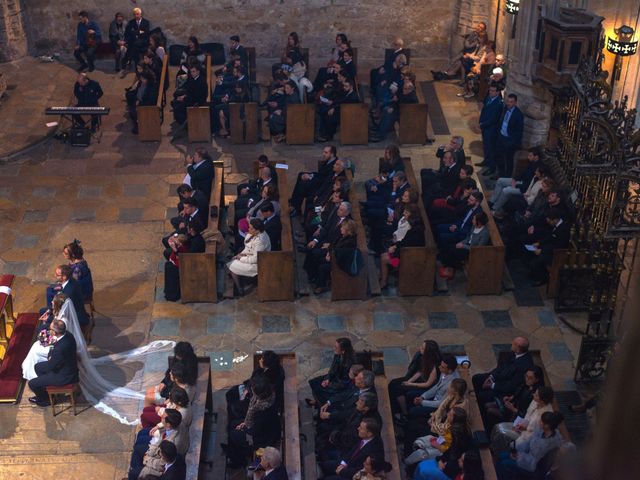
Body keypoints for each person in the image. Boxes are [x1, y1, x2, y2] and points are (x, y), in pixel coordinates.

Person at [227, 375, 280, 468]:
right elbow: (252, 420)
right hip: (259, 427)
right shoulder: (269, 395)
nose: (251, 391)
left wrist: (244, 429)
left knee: (233, 434)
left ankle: (239, 461)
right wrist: (244, 424)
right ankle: (238, 451)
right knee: (233, 424)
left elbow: (254, 432)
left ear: (258, 394)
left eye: (253, 390)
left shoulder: (262, 411)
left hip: (261, 437)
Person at [495, 412, 564, 479]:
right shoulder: (540, 430)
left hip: (533, 467)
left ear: (547, 425)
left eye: (541, 421)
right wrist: (515, 450)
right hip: (526, 457)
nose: (539, 422)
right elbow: (528, 442)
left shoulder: (551, 443)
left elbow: (534, 460)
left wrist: (518, 457)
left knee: (505, 463)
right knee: (502, 455)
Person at [472, 337, 533, 413]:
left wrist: (492, 385)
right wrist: (491, 377)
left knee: (480, 396)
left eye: (513, 344)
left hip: (502, 389)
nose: (511, 344)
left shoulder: (524, 366)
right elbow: (501, 366)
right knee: (476, 378)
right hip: (497, 378)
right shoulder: (513, 353)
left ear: (518, 349)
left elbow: (511, 385)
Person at [27, 319, 79, 407]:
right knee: (37, 367)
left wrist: (50, 356)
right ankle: (47, 392)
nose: (48, 330)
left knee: (32, 383)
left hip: (64, 376)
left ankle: (45, 400)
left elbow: (51, 366)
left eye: (50, 329)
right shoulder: (68, 335)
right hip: (67, 367)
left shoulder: (60, 349)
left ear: (54, 332)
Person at [490, 386, 555, 455]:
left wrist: (522, 428)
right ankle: (492, 446)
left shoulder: (546, 414)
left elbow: (537, 433)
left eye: (536, 395)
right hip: (522, 426)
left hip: (527, 437)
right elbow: (527, 416)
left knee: (503, 434)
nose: (533, 395)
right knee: (497, 427)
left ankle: (495, 453)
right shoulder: (535, 401)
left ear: (542, 400)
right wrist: (519, 424)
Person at [388, 339, 442, 417]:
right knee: (393, 383)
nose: (420, 348)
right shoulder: (423, 357)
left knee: (398, 390)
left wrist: (411, 384)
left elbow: (427, 384)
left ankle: (404, 413)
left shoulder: (435, 367)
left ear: (428, 353)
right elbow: (420, 372)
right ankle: (395, 408)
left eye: (423, 348)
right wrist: (409, 381)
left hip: (424, 386)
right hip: (419, 380)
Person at [483, 366, 544, 433]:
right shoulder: (525, 385)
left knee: (490, 410)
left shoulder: (536, 395)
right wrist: (511, 397)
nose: (527, 379)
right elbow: (517, 395)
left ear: (537, 380)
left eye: (530, 378)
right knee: (487, 405)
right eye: (526, 376)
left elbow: (527, 415)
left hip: (516, 416)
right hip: (512, 406)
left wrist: (513, 409)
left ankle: (490, 432)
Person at [319, 418, 385, 479]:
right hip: (347, 462)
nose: (358, 428)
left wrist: (342, 471)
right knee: (324, 465)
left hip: (353, 475)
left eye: (361, 428)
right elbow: (352, 450)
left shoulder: (373, 451)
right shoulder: (364, 436)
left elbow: (360, 470)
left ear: (369, 433)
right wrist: (343, 463)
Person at [405, 407, 471, 467]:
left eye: (450, 415)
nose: (448, 414)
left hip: (443, 453)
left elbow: (451, 451)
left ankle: (409, 464)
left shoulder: (455, 434)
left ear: (455, 419)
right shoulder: (453, 427)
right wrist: (438, 440)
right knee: (421, 441)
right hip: (441, 444)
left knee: (422, 453)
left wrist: (438, 446)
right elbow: (445, 438)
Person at [22, 293, 68, 381]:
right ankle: (31, 372)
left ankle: (34, 374)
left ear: (57, 305)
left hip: (56, 346)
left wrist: (43, 339)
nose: (51, 302)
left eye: (53, 302)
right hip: (55, 340)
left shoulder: (63, 321)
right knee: (35, 346)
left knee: (35, 350)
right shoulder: (60, 314)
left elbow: (57, 337)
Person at [379, 204, 425, 288]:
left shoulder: (413, 228)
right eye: (405, 211)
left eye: (406, 212)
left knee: (384, 259)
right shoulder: (407, 221)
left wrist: (395, 247)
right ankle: (383, 277)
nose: (404, 213)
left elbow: (406, 241)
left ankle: (384, 281)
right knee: (383, 253)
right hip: (402, 251)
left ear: (412, 215)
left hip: (406, 258)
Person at [490, 146, 543, 218]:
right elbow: (523, 173)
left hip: (523, 188)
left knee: (506, 190)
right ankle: (492, 201)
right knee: (500, 181)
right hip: (520, 181)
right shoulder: (531, 162)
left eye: (530, 155)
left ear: (536, 157)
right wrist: (515, 179)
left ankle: (495, 208)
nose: (528, 157)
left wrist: (516, 185)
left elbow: (528, 185)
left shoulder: (538, 169)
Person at [438, 212, 490, 280]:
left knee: (453, 251)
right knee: (449, 246)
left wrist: (463, 246)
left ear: (479, 222)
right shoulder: (474, 226)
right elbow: (468, 238)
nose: (472, 220)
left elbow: (478, 249)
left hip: (471, 251)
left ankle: (450, 270)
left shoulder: (484, 233)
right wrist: (461, 243)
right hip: (466, 245)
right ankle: (447, 266)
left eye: (474, 219)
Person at [227, 218, 271, 296]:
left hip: (259, 264)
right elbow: (248, 247)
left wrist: (241, 258)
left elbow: (255, 259)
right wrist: (241, 254)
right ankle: (239, 282)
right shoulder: (255, 233)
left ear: (257, 230)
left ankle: (240, 289)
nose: (248, 229)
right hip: (251, 256)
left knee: (232, 266)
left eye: (251, 228)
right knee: (233, 260)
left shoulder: (260, 241)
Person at [308, 337, 355, 406]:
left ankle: (320, 405)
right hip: (335, 377)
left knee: (321, 389)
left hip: (342, 384)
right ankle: (318, 402)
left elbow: (345, 382)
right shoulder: (338, 355)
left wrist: (329, 384)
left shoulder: (350, 363)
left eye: (336, 347)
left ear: (343, 351)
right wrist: (327, 379)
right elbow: (333, 369)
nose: (334, 348)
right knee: (314, 382)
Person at [494, 93, 524, 179]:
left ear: (515, 103)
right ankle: (500, 173)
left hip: (509, 140)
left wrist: (512, 142)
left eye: (511, 102)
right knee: (498, 156)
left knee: (508, 160)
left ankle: (506, 177)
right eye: (508, 101)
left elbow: (519, 131)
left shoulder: (518, 115)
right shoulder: (505, 109)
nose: (509, 104)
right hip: (501, 137)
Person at [476, 84, 503, 174]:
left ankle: (491, 168)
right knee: (486, 146)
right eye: (490, 90)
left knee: (491, 148)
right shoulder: (488, 98)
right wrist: (480, 121)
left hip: (491, 129)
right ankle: (486, 161)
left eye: (493, 91)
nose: (490, 92)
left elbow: (494, 119)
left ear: (498, 92)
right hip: (485, 127)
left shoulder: (499, 103)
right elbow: (484, 111)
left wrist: (483, 124)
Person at [122, 7, 151, 75]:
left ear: (140, 14)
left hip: (143, 42)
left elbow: (146, 34)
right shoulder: (131, 22)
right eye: (135, 14)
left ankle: (128, 61)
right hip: (134, 43)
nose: (136, 16)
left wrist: (135, 32)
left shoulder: (146, 22)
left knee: (133, 47)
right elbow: (128, 33)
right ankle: (137, 67)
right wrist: (139, 32)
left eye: (137, 14)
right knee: (135, 48)